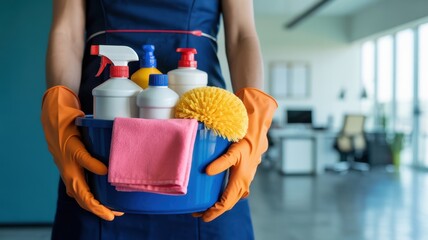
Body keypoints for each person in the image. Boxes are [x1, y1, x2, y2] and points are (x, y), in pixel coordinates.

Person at [41, 0, 277, 239]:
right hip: (101, 142)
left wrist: (253, 119)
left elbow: (241, 35)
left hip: (203, 146)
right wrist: (61, 112)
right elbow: (67, 33)